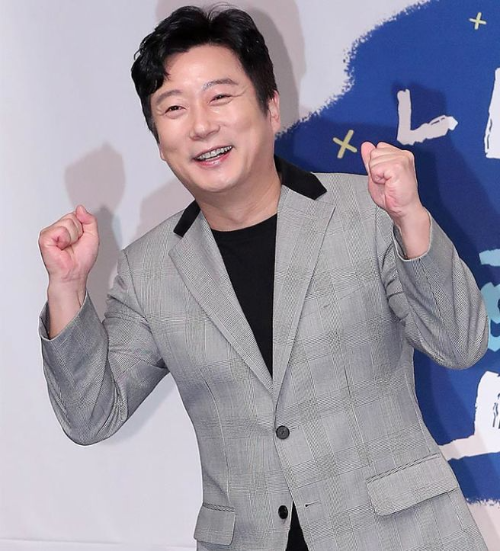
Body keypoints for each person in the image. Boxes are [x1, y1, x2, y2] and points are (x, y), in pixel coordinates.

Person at [38, 6, 488, 551]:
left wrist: (410, 218)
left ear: (271, 108)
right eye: (174, 107)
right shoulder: (149, 269)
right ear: (159, 140)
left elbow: (459, 344)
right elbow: (91, 416)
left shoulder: (365, 211)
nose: (201, 125)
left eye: (219, 97)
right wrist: (67, 288)